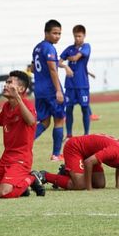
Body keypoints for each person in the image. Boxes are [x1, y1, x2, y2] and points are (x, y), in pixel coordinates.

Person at [0, 71, 45, 198]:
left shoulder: (27, 105)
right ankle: (18, 186)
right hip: (5, 159)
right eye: (6, 82)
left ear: (21, 89)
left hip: (21, 160)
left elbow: (31, 121)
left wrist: (18, 97)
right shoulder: (7, 106)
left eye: (9, 83)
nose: (5, 85)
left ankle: (30, 178)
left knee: (3, 193)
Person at [34, 134, 119, 190]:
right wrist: (89, 189)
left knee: (100, 184)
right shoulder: (116, 151)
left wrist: (118, 186)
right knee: (79, 185)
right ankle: (44, 175)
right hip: (75, 148)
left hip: (91, 153)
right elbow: (89, 162)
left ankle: (68, 171)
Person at [32, 19, 65, 160]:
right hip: (51, 90)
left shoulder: (37, 48)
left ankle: (25, 145)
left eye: (59, 33)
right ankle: (56, 155)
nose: (57, 36)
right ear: (46, 33)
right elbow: (53, 69)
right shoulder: (49, 48)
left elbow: (33, 68)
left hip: (39, 90)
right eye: (54, 33)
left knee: (45, 121)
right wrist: (58, 90)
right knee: (59, 120)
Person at [59, 24, 92, 138]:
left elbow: (76, 58)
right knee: (69, 109)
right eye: (75, 36)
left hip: (82, 84)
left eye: (79, 36)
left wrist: (68, 59)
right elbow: (58, 62)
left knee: (85, 108)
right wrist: (66, 67)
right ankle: (69, 135)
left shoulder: (86, 47)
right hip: (70, 84)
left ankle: (86, 134)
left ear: (84, 36)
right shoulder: (69, 49)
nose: (77, 38)